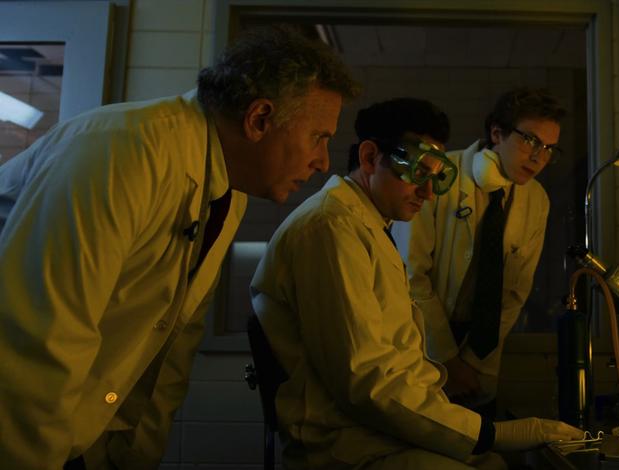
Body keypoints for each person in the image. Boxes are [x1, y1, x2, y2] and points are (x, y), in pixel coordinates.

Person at [0, 25, 359, 470]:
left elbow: (172, 339)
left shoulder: (226, 191)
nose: (323, 162)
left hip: (83, 433)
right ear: (260, 119)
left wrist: (136, 452)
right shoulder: (122, 154)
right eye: (318, 137)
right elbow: (39, 342)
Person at [250, 98, 581, 469]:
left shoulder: (369, 226)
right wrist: (490, 433)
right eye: (417, 173)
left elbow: (396, 360)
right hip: (348, 445)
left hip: (381, 432)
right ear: (371, 157)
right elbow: (367, 383)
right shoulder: (331, 229)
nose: (427, 192)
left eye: (435, 177)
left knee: (495, 465)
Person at [399, 88, 565, 411]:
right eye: (530, 140)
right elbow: (411, 275)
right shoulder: (441, 174)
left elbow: (514, 294)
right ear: (496, 133)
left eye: (549, 148)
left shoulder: (536, 200)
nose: (538, 157)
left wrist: (473, 363)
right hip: (422, 338)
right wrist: (447, 358)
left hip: (478, 351)